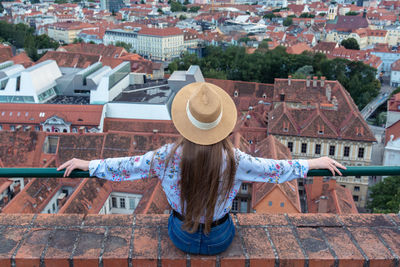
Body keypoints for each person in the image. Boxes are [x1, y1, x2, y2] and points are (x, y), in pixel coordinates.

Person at [58, 82, 346, 255]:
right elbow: (274, 169)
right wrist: (311, 163)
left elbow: (126, 167)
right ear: (220, 124)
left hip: (180, 234)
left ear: (186, 122)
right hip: (219, 237)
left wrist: (89, 164)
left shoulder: (165, 157)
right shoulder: (234, 159)